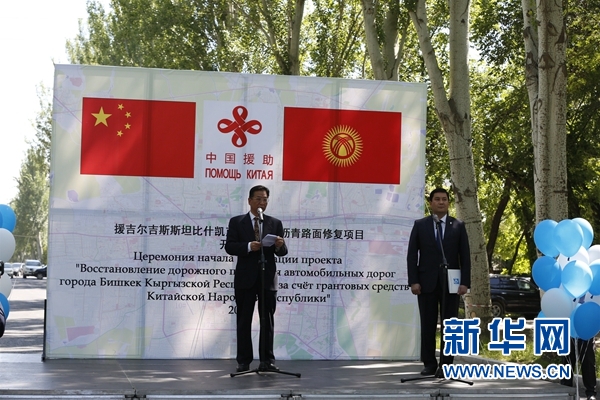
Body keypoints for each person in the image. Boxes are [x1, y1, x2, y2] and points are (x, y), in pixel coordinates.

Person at [407, 187, 471, 376]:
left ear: (448, 203)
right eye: (437, 199)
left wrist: (465, 282)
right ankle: (429, 363)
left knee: (450, 325)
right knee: (427, 324)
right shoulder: (420, 225)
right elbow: (412, 255)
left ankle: (446, 364)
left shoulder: (458, 225)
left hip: (451, 284)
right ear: (431, 203)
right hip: (425, 283)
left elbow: (465, 256)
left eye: (444, 199)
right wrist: (413, 281)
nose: (441, 202)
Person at [225, 185, 288, 373]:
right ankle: (243, 361)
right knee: (244, 320)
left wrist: (279, 245)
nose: (262, 202)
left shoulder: (275, 223)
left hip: (267, 278)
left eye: (265, 199)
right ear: (250, 200)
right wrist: (247, 246)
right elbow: (230, 246)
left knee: (267, 320)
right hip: (245, 278)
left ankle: (267, 361)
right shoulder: (237, 222)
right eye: (258, 199)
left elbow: (282, 252)